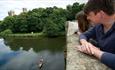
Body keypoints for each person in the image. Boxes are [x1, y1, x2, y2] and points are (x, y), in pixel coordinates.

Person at [77, 0, 115, 69]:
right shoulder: (99, 26)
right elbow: (84, 35)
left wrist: (95, 51)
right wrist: (85, 43)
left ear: (100, 14)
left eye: (89, 15)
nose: (87, 18)